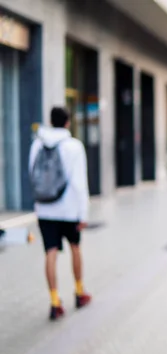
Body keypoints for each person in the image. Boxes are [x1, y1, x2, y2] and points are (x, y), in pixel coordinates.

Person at [29, 107, 92, 321]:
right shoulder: (74, 146)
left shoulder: (37, 144)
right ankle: (79, 291)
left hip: (45, 208)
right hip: (69, 210)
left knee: (50, 252)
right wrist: (83, 214)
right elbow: (79, 182)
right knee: (75, 248)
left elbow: (32, 174)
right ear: (67, 122)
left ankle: (55, 302)